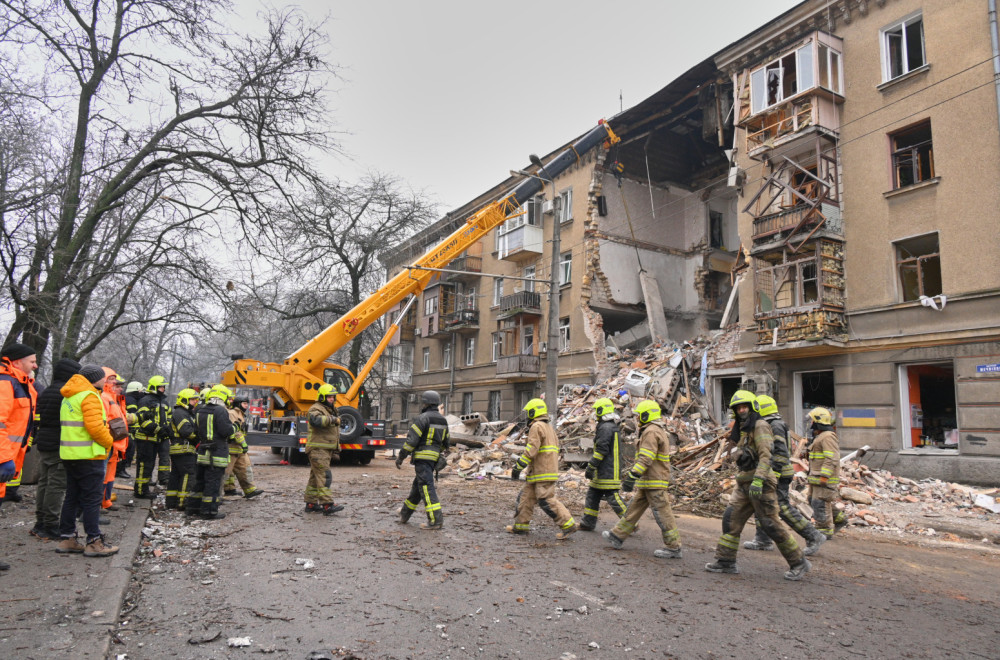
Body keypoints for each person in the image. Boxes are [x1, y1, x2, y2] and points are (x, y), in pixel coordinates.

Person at [705, 390, 810, 580]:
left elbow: (766, 455)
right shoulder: (745, 428)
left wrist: (759, 479)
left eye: (744, 406)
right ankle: (725, 561)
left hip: (760, 483)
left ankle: (799, 562)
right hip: (745, 482)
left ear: (752, 407)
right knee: (731, 518)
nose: (741, 410)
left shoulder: (760, 425)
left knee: (770, 523)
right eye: (738, 408)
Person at [743, 395, 826, 556]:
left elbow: (780, 454)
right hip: (771, 473)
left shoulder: (775, 426)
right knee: (761, 504)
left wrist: (772, 475)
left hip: (778, 475)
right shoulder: (769, 424)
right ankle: (763, 540)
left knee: (781, 507)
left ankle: (814, 536)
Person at [602, 399, 682, 558]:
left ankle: (674, 547)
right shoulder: (653, 430)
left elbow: (646, 458)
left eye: (639, 415)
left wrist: (632, 476)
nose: (638, 419)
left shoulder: (651, 431)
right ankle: (617, 535)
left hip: (654, 480)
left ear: (647, 415)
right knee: (634, 508)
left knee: (662, 512)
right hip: (648, 480)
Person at [55, 365, 119, 557]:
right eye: (103, 378)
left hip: (70, 454)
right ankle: (93, 542)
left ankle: (67, 539)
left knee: (72, 497)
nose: (106, 381)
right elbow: (96, 428)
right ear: (95, 379)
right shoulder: (89, 396)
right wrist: (109, 443)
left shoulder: (70, 396)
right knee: (91, 500)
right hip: (89, 456)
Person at [506, 398, 577, 539]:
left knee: (546, 500)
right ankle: (520, 526)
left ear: (534, 412)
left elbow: (532, 450)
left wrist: (518, 467)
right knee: (526, 498)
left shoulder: (536, 426)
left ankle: (567, 524)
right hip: (539, 472)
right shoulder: (548, 428)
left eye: (528, 412)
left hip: (542, 472)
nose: (527, 416)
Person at [30, 357, 81, 540]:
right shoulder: (65, 394)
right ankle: (51, 525)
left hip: (44, 442)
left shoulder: (46, 391)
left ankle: (40, 522)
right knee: (56, 485)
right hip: (59, 443)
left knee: (44, 483)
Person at [395, 390, 449, 530]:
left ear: (425, 403)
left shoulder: (422, 418)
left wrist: (401, 456)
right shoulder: (443, 420)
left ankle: (435, 520)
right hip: (433, 460)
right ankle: (405, 514)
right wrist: (436, 453)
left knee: (426, 488)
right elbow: (446, 443)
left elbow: (411, 441)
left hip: (422, 459)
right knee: (417, 488)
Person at [185, 384, 233, 520]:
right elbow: (225, 431)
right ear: (222, 396)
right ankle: (209, 511)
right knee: (213, 483)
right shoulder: (221, 411)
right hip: (216, 454)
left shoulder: (200, 410)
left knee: (199, 481)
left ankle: (192, 508)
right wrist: (234, 428)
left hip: (202, 452)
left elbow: (195, 431)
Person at [0, 343, 39, 507]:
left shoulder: (20, 383)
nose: (35, 365)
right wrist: (4, 459)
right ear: (16, 362)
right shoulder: (5, 383)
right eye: (32, 361)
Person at [579, 397, 626, 531]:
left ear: (601, 411)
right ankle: (588, 522)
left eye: (596, 410)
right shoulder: (608, 426)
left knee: (613, 497)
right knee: (592, 494)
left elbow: (601, 450)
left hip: (608, 469)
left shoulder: (605, 428)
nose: (594, 414)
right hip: (605, 469)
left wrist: (591, 466)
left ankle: (630, 522)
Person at [806, 407, 847, 538]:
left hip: (823, 478)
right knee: (812, 500)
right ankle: (839, 518)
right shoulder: (821, 436)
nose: (810, 423)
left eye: (812, 420)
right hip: (816, 477)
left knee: (820, 503)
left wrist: (825, 475)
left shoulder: (828, 437)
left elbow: (832, 458)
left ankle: (824, 530)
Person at [303, 384, 344, 515]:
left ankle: (311, 503)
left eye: (333, 397)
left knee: (315, 478)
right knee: (325, 476)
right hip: (318, 449)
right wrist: (333, 419)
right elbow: (315, 420)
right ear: (322, 397)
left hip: (324, 449)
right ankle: (327, 505)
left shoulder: (329, 409)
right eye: (329, 397)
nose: (332, 399)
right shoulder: (316, 408)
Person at [134, 375, 170, 498]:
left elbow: (168, 416)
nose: (163, 389)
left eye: (164, 387)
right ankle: (140, 491)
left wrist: (167, 428)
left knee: (150, 465)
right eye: (161, 387)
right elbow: (142, 420)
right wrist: (158, 429)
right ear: (155, 387)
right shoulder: (146, 400)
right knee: (145, 465)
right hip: (145, 439)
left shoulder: (163, 401)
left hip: (157, 439)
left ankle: (145, 489)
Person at [99, 369, 129, 511]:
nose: (117, 384)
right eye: (112, 379)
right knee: (102, 475)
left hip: (114, 443)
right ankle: (99, 504)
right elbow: (104, 420)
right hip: (109, 442)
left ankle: (106, 501)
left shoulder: (113, 399)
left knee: (109, 475)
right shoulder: (104, 398)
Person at [165, 388, 199, 510]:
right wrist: (199, 438)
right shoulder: (181, 413)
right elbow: (186, 431)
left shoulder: (185, 413)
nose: (195, 402)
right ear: (185, 400)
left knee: (176, 475)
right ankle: (183, 503)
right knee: (188, 475)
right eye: (193, 399)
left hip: (180, 449)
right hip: (184, 449)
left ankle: (171, 502)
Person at [222, 395, 262, 499]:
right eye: (244, 403)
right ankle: (216, 494)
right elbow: (235, 431)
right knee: (225, 472)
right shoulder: (232, 414)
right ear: (238, 404)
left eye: (247, 404)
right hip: (231, 448)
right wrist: (243, 443)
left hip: (239, 449)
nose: (246, 406)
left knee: (245, 468)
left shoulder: (240, 414)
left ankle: (250, 490)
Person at [119, 381, 144, 477]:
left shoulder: (130, 398)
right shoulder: (131, 400)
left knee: (129, 451)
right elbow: (133, 415)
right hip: (129, 429)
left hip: (130, 430)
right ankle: (120, 470)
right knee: (127, 451)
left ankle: (122, 469)